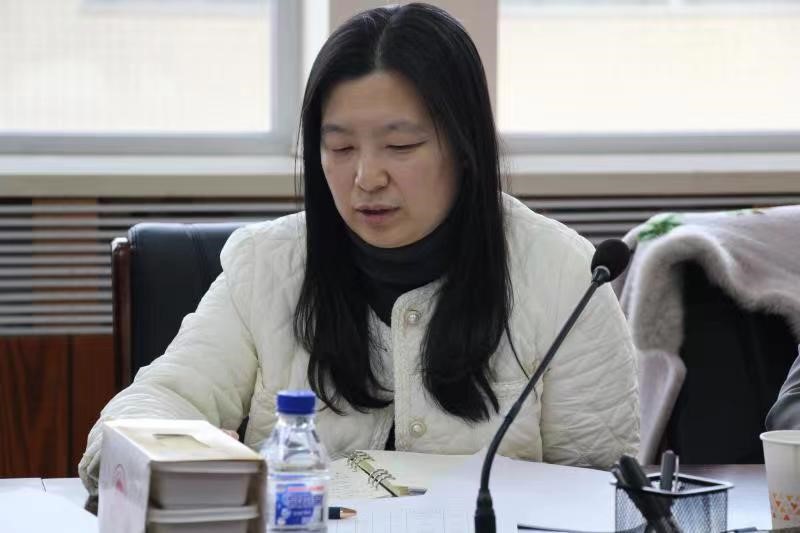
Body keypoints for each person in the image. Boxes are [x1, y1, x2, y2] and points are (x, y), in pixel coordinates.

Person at [79, 2, 638, 493]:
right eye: (341, 148)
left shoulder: (564, 276)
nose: (366, 178)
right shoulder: (265, 267)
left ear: (465, 146)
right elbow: (150, 410)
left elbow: (599, 486)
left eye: (401, 146)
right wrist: (168, 465)